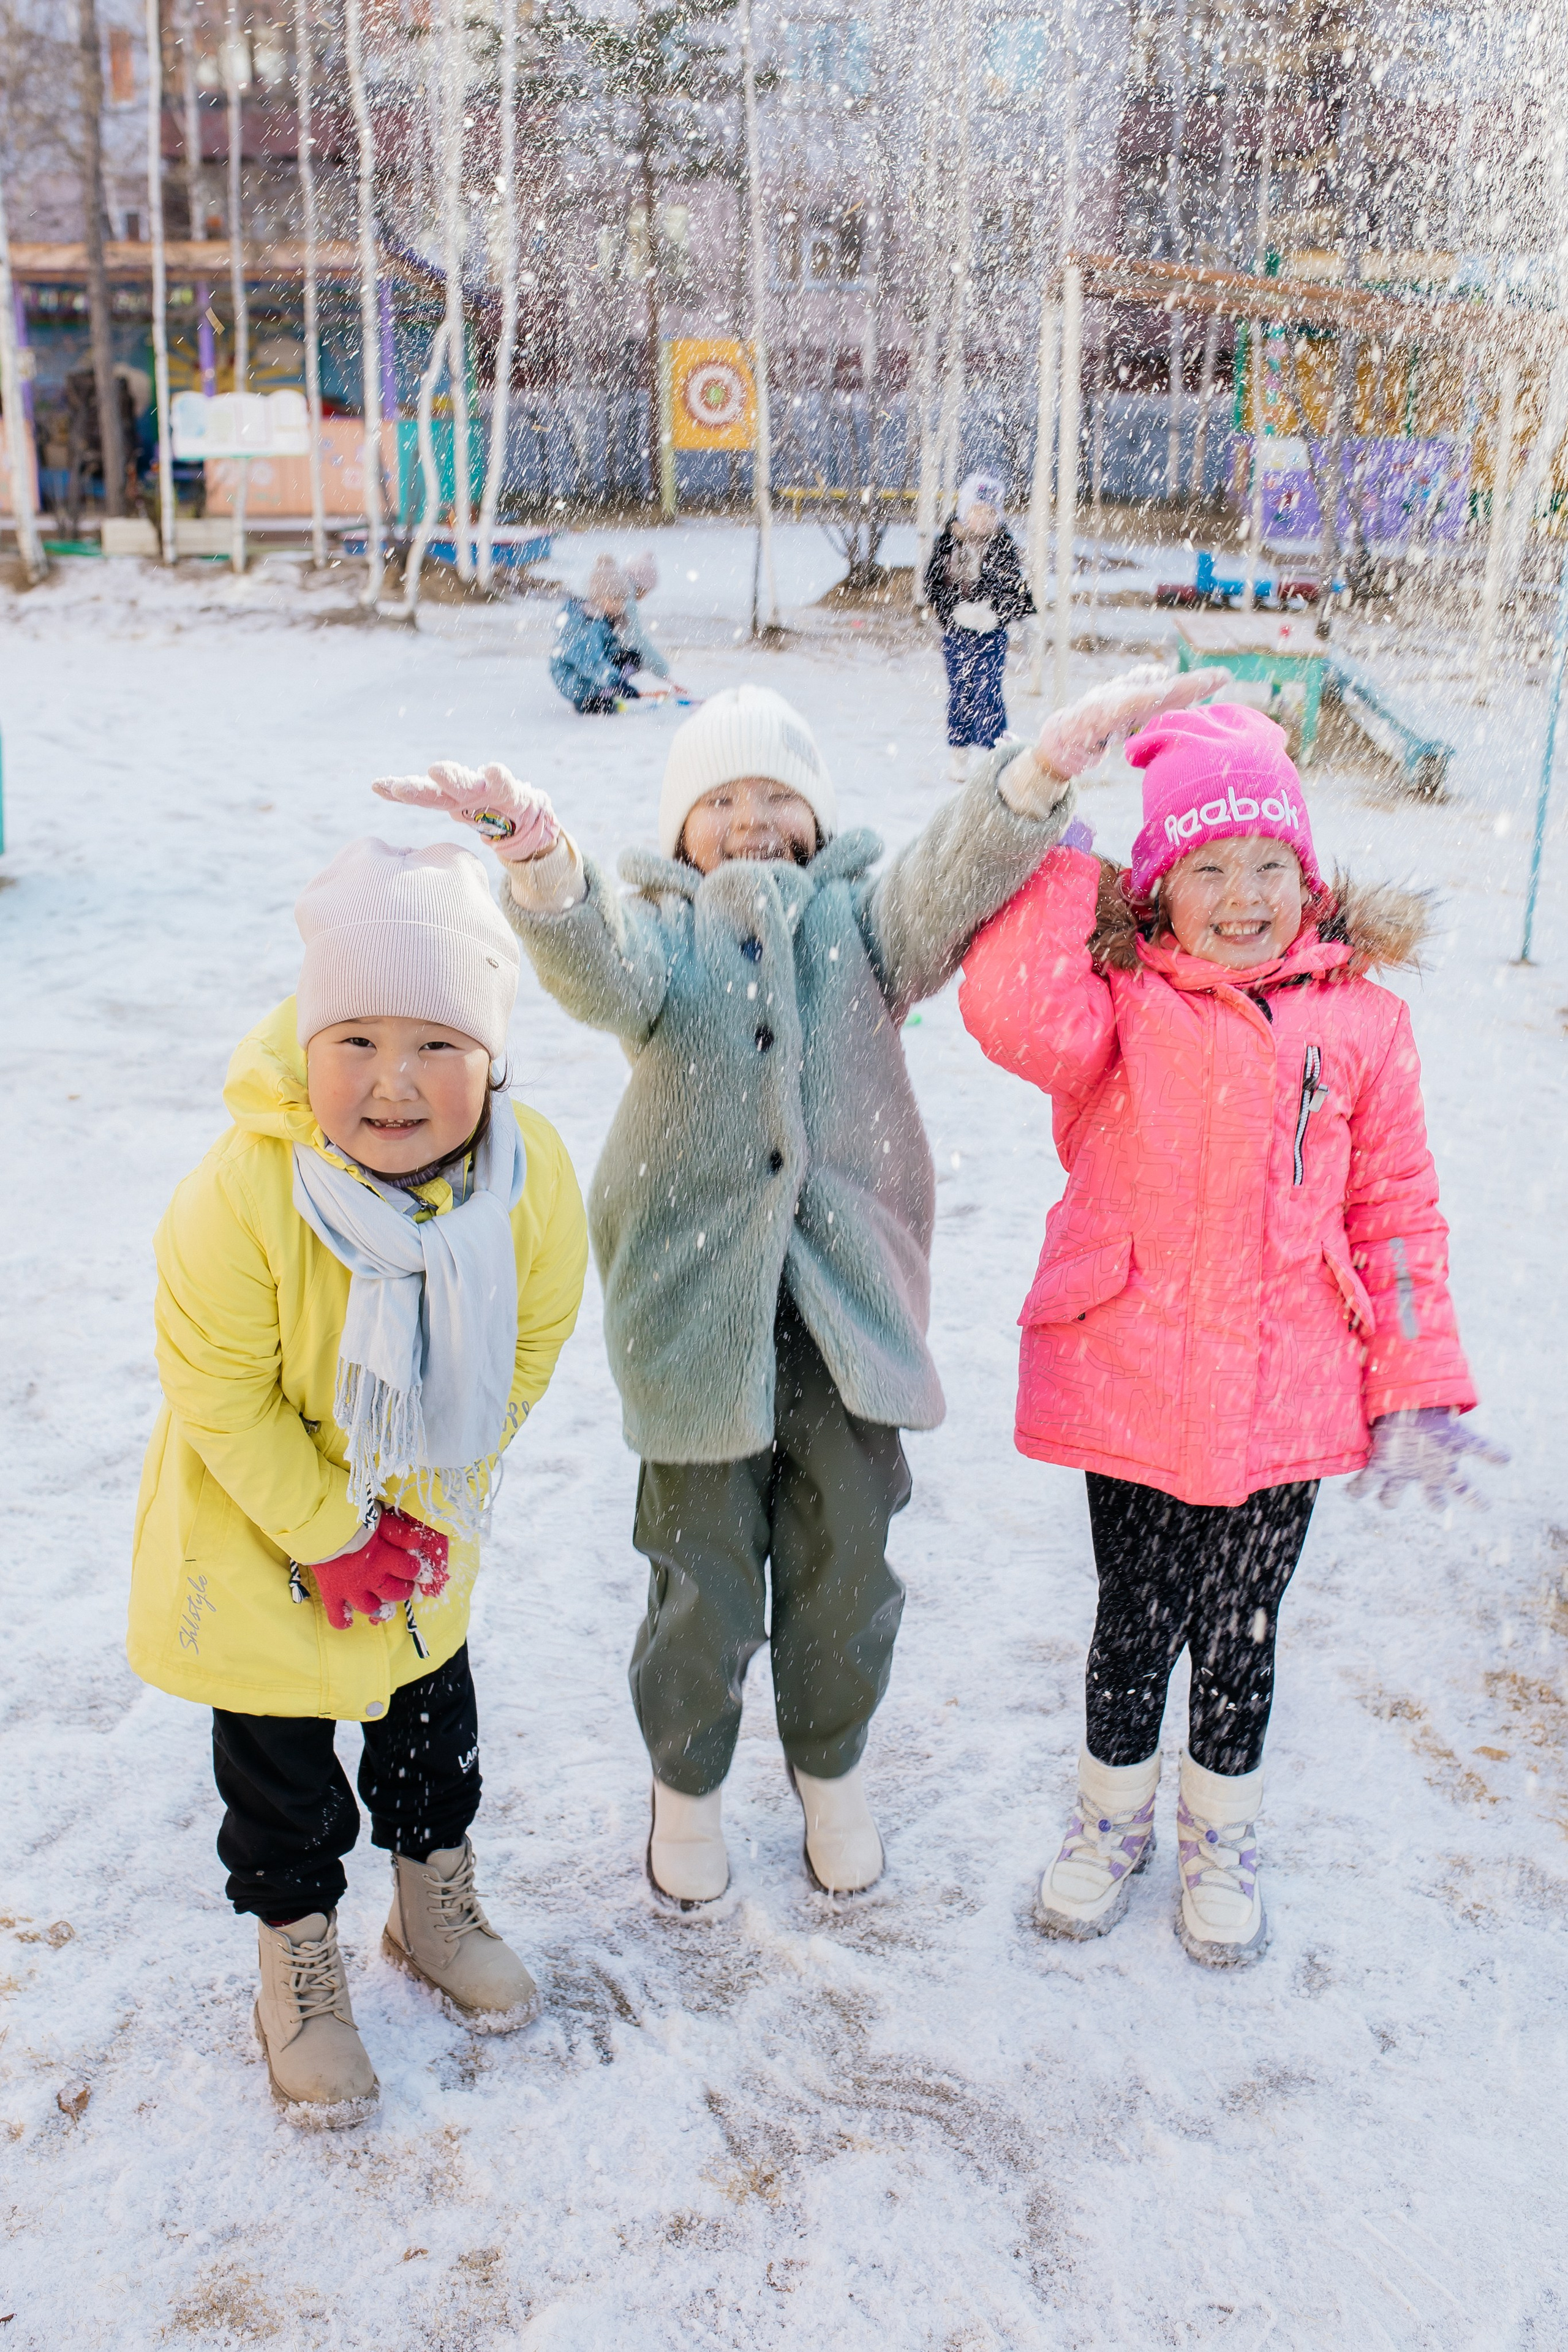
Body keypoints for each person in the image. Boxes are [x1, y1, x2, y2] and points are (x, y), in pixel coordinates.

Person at [375, 677, 1207, 1912]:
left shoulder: (865, 929)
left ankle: (832, 1773)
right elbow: (596, 969)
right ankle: (688, 1792)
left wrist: (1036, 772)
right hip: (696, 1325)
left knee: (845, 1570)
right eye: (722, 800)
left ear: (816, 818)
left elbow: (951, 870)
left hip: (845, 1322)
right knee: (697, 1578)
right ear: (679, 829)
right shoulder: (664, 935)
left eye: (778, 796)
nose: (754, 820)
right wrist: (538, 854)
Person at [957, 690, 1504, 1967]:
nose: (1244, 892)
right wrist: (1054, 858)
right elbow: (1005, 1012)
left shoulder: (1361, 1024)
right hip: (1130, 1382)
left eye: (1270, 863)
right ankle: (1108, 1821)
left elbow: (1397, 1212)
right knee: (1132, 1621)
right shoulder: (1116, 1009)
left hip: (1288, 1396)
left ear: (1307, 879)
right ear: (1155, 890)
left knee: (1241, 1631)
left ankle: (1219, 1832)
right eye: (1207, 866)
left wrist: (1414, 1375)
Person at [130, 839, 587, 2125]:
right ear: (308, 1041)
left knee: (431, 1728)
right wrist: (332, 1531)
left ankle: (430, 1902)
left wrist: (427, 1506)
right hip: (258, 1528)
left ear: (491, 1057)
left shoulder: (527, 1178)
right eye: (358, 1043)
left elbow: (535, 1338)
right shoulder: (242, 1192)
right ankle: (297, 1957)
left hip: (425, 1525)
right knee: (277, 1770)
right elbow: (216, 1385)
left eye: (438, 1044)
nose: (395, 1084)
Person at [923, 470, 1036, 781]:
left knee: (989, 690)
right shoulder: (948, 543)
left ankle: (995, 754)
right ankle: (959, 753)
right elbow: (933, 585)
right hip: (957, 633)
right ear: (965, 511)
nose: (984, 519)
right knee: (962, 690)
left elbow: (1014, 589)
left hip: (992, 634)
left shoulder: (1003, 546)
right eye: (977, 511)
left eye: (990, 512)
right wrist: (953, 612)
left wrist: (995, 613)